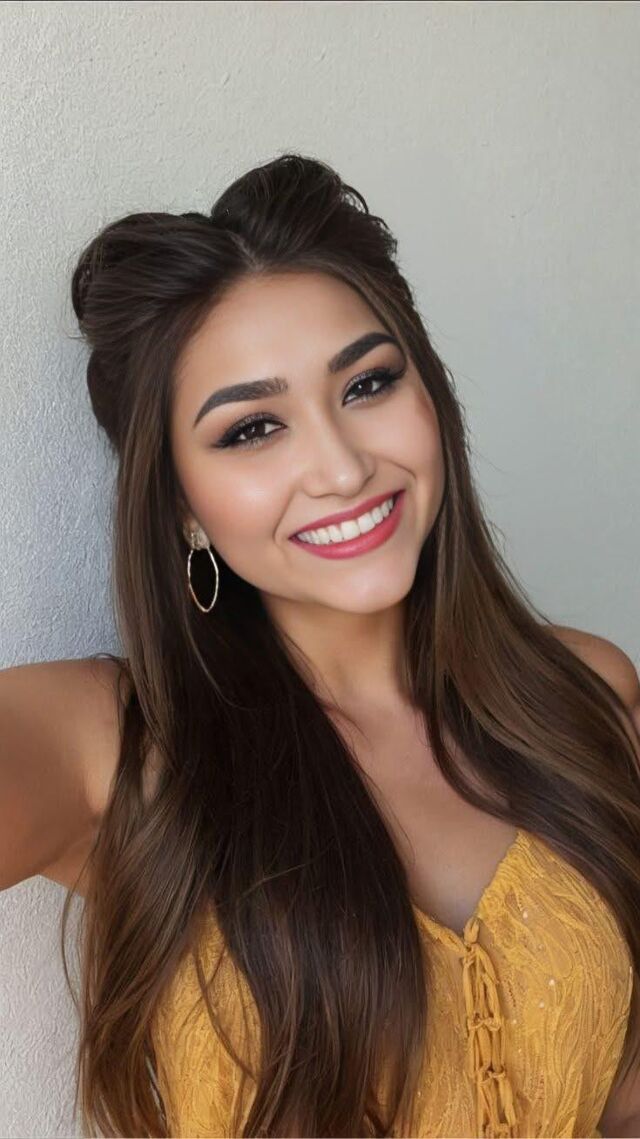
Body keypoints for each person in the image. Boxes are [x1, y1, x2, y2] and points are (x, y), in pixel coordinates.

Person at [1, 152, 639, 1139]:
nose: (341, 467)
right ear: (181, 505)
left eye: (368, 383)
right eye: (252, 429)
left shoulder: (583, 692)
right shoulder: (110, 740)